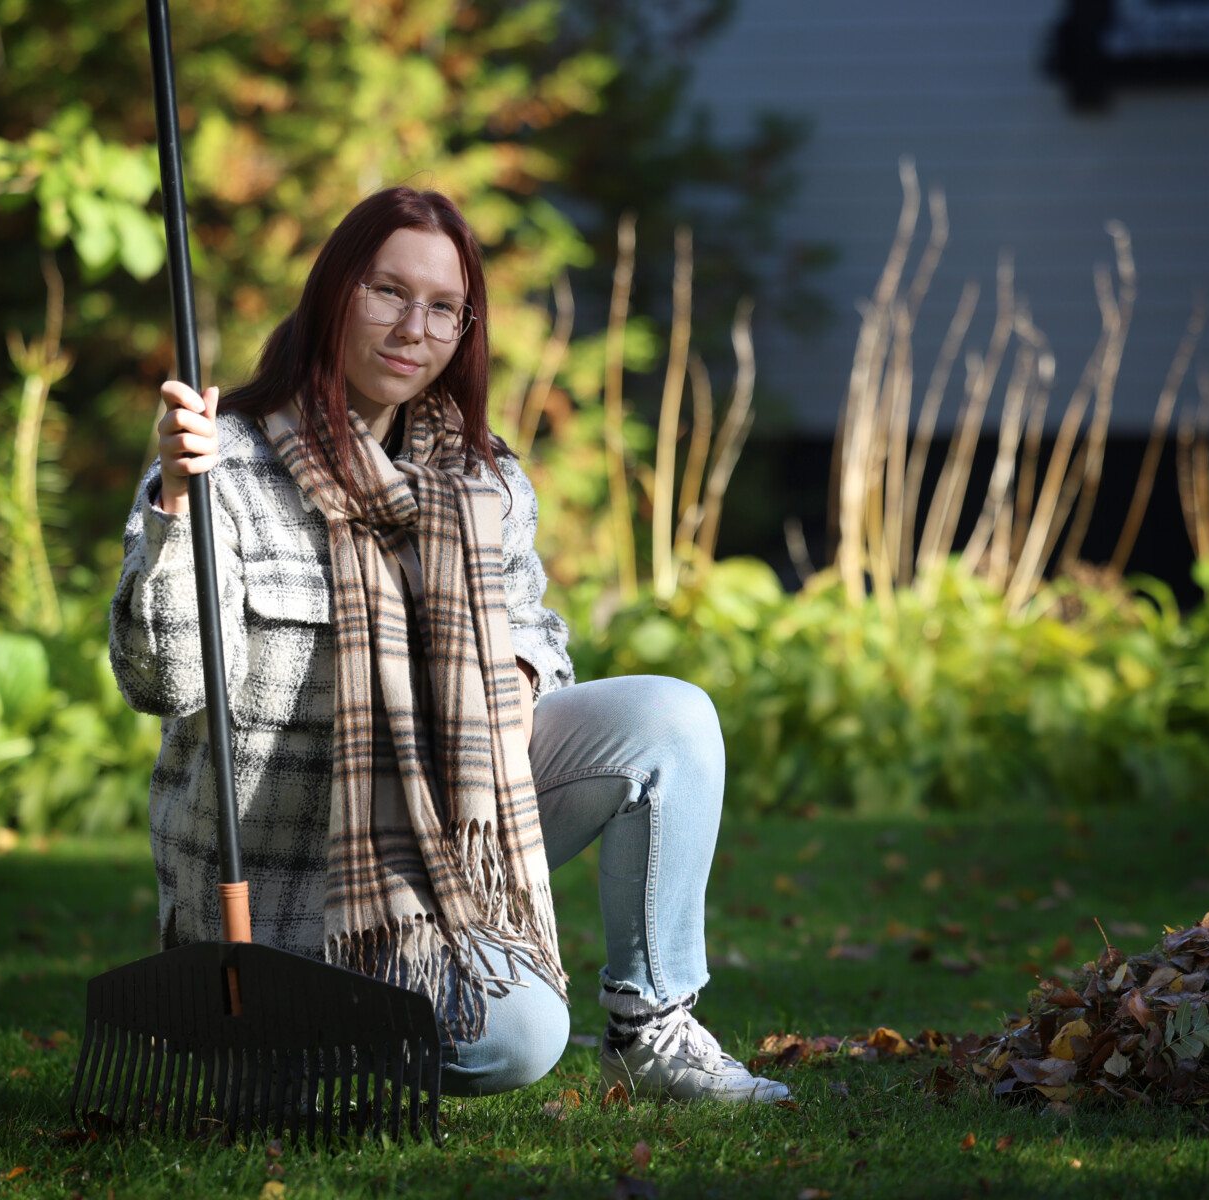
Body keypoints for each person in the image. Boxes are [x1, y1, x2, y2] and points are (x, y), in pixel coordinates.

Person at [109, 186, 788, 1104]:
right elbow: (164, 681)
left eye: (443, 308)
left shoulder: (483, 483)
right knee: (516, 1041)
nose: (413, 328)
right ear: (334, 295)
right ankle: (284, 1033)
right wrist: (176, 508)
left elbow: (539, 629)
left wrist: (511, 673)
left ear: (465, 329)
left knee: (667, 721)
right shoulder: (219, 467)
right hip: (277, 900)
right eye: (387, 292)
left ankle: (651, 1026)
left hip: (439, 856)